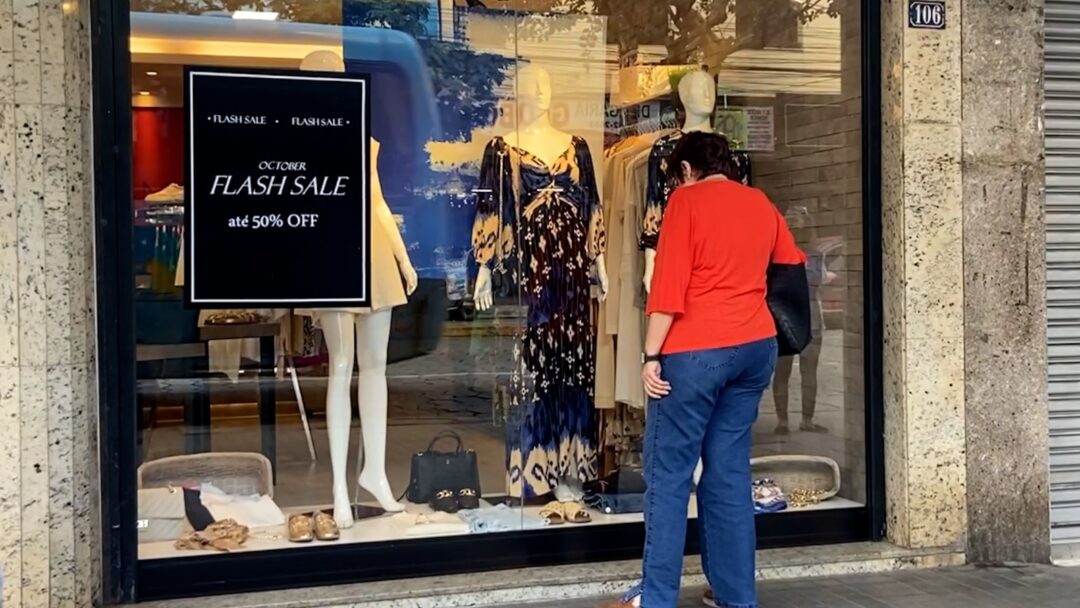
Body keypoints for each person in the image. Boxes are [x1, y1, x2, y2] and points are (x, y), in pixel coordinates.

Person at [603, 132, 806, 608]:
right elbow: (791, 263)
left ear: (686, 170)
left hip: (695, 352)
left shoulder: (685, 202)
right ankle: (736, 596)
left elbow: (669, 285)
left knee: (669, 476)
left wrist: (650, 355)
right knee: (728, 474)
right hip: (754, 348)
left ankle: (655, 599)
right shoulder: (759, 202)